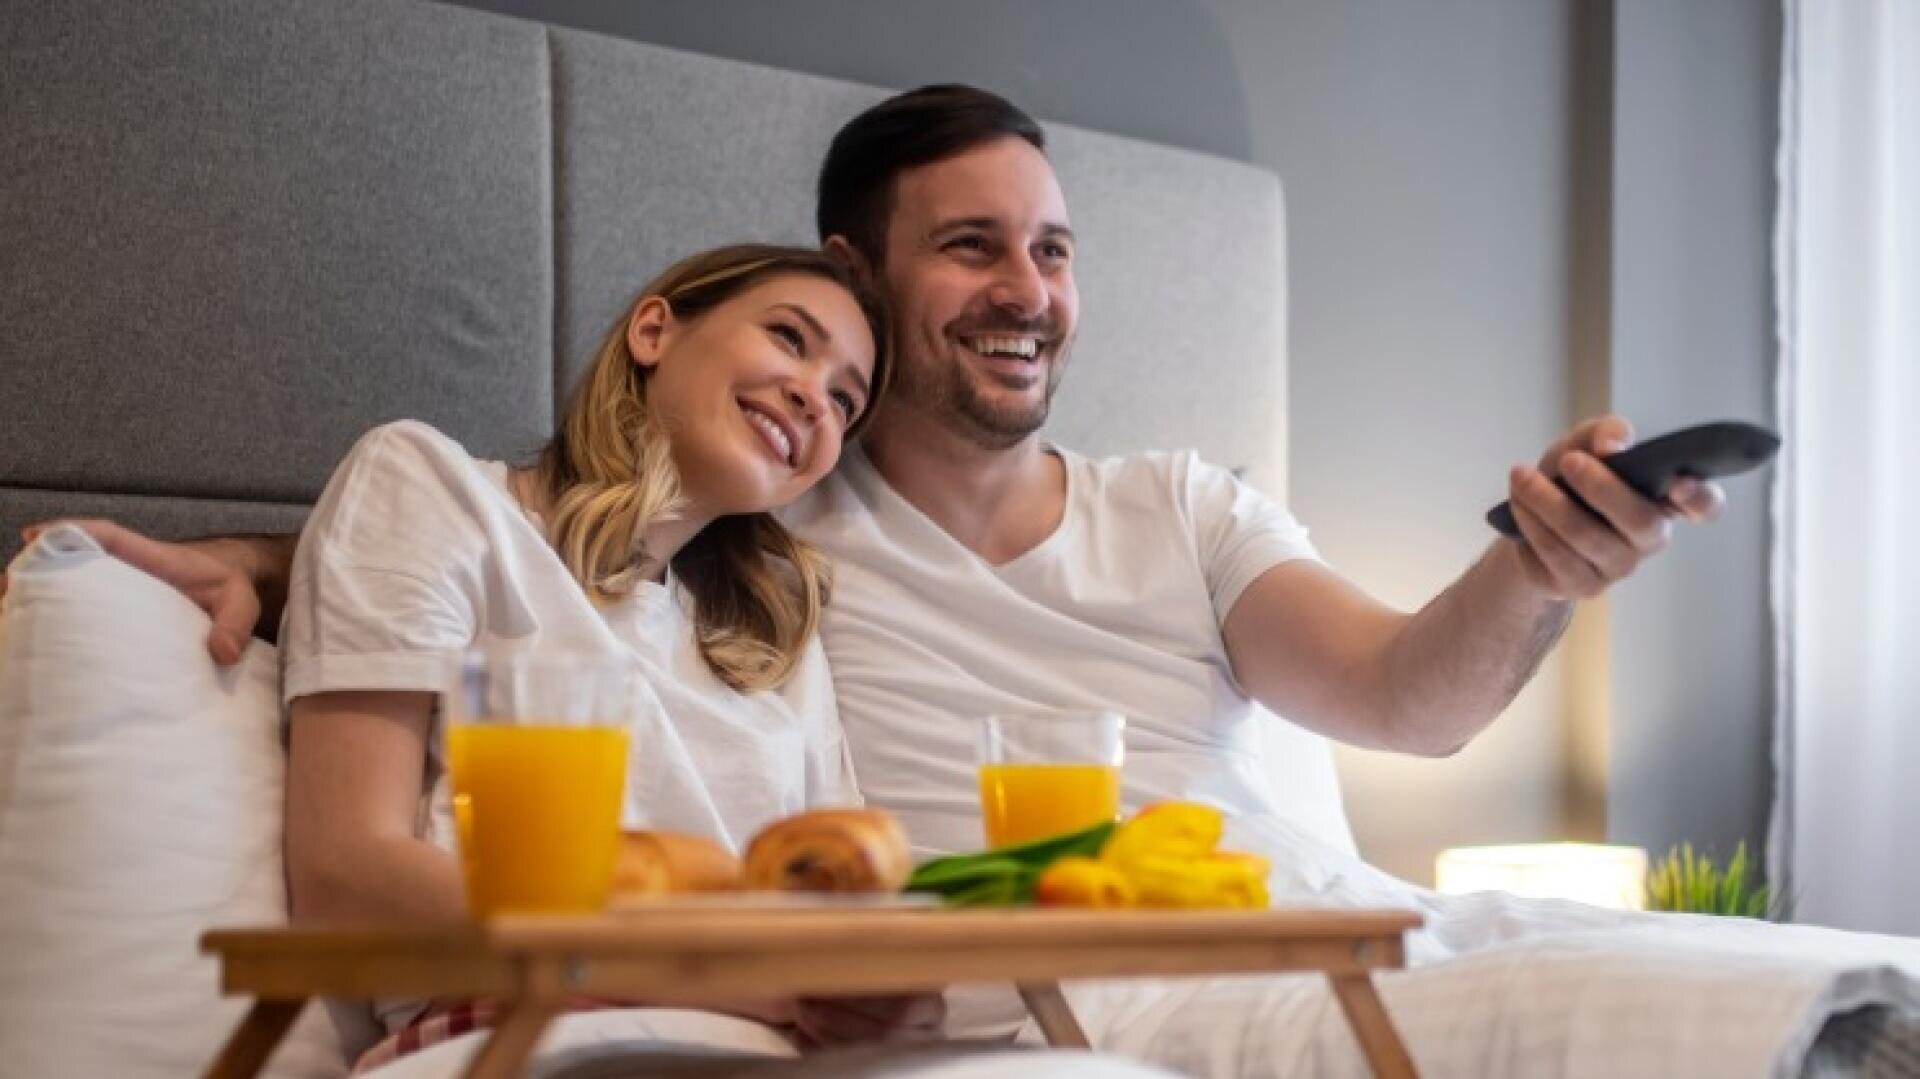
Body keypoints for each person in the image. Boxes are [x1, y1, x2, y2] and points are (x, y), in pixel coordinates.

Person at [31, 87, 1920, 1077]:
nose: (1029, 289)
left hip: (1300, 911)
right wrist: (269, 563)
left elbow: (1409, 699)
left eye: (1056, 249)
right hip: (1064, 978)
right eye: (967, 250)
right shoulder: (779, 549)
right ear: (828, 272)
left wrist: (1542, 568)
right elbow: (507, 545)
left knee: (1703, 970)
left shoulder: (1109, 514)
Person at [264, 242, 950, 1068]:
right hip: (523, 1033)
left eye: (846, 401)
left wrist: (894, 1001)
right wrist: (754, 979)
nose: (815, 397)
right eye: (789, 338)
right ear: (655, 330)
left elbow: (845, 922)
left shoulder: (775, 644)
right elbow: (346, 883)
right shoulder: (432, 488)